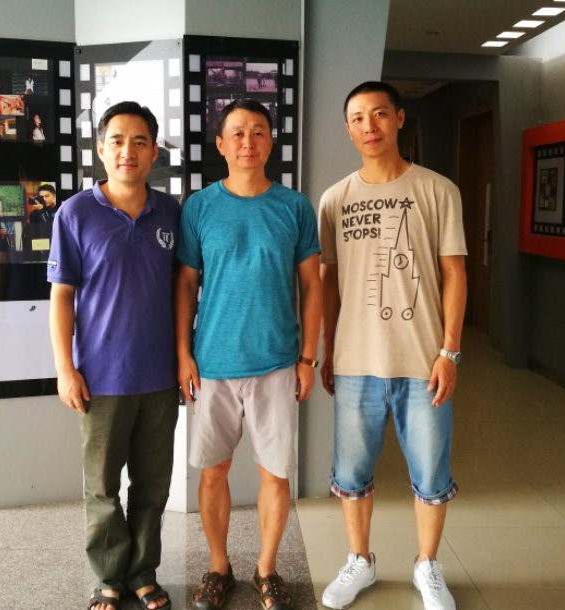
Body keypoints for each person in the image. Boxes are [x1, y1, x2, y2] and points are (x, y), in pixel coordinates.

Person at [317, 81, 467, 610]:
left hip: (423, 362)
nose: (370, 126)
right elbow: (329, 283)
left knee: (431, 473)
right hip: (355, 362)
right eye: (358, 118)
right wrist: (328, 349)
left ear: (399, 118)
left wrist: (449, 352)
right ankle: (360, 561)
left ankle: (427, 565)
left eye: (379, 114)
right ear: (348, 129)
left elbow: (455, 274)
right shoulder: (334, 200)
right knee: (352, 473)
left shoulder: (437, 190)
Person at [175, 98, 321, 610]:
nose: (248, 141)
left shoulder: (294, 207)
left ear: (270, 142)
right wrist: (183, 353)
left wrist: (308, 358)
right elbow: (185, 283)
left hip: (277, 361)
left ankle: (267, 569)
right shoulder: (199, 207)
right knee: (212, 471)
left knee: (275, 473)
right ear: (220, 144)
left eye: (258, 131)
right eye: (237, 132)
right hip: (213, 362)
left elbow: (312, 284)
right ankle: (219, 567)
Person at [48, 100, 180, 610]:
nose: (129, 151)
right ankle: (108, 575)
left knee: (152, 484)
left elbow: (184, 289)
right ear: (100, 149)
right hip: (101, 378)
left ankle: (143, 572)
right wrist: (65, 369)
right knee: (102, 487)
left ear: (154, 152)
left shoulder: (171, 212)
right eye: (117, 141)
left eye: (139, 141)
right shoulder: (76, 213)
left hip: (160, 376)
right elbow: (62, 295)